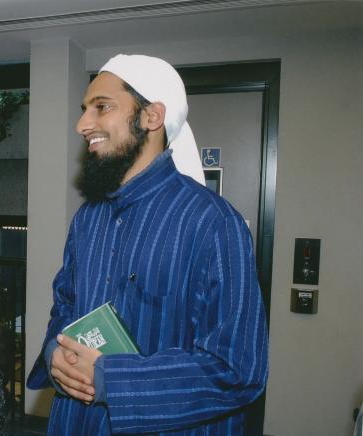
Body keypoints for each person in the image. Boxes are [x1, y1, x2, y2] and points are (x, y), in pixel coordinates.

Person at [27, 54, 268, 435]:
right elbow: (65, 307)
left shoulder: (214, 223)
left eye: (101, 107)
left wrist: (112, 379)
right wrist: (55, 354)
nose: (82, 124)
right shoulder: (88, 218)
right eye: (84, 109)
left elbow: (238, 369)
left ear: (151, 117)